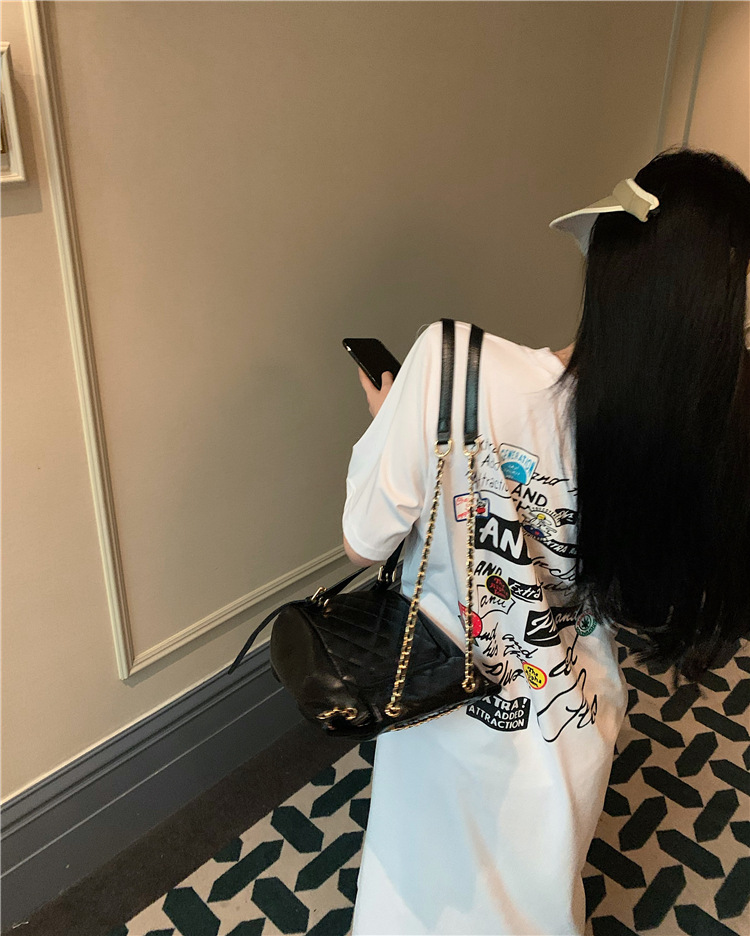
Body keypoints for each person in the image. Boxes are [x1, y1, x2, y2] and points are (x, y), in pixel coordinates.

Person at [341, 147, 750, 935]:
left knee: (421, 902)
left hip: (440, 706)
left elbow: (364, 540)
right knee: (538, 906)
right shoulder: (692, 443)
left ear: (609, 263)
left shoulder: (452, 367)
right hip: (572, 723)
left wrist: (394, 426)